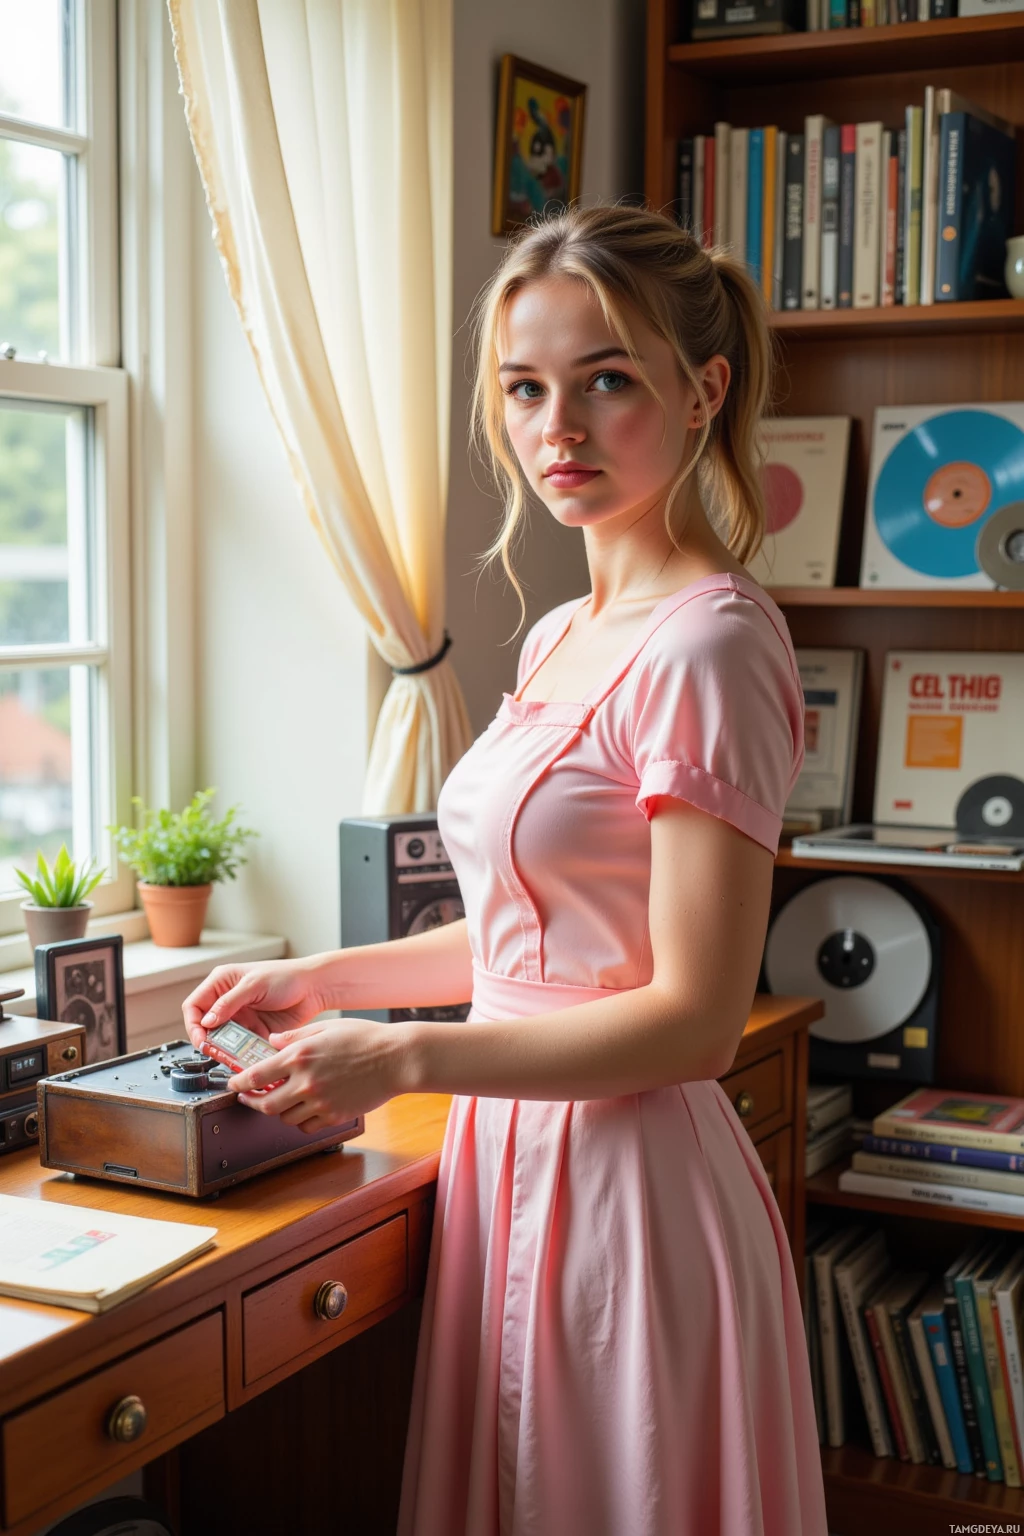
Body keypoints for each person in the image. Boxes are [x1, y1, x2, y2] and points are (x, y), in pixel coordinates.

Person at [182, 203, 829, 1536]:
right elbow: (541, 944)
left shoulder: (712, 647)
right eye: (527, 389)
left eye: (608, 380)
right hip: (509, 1154)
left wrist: (405, 1058)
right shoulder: (554, 638)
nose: (559, 429)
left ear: (703, 390)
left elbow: (697, 1021)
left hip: (632, 1191)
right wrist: (323, 977)